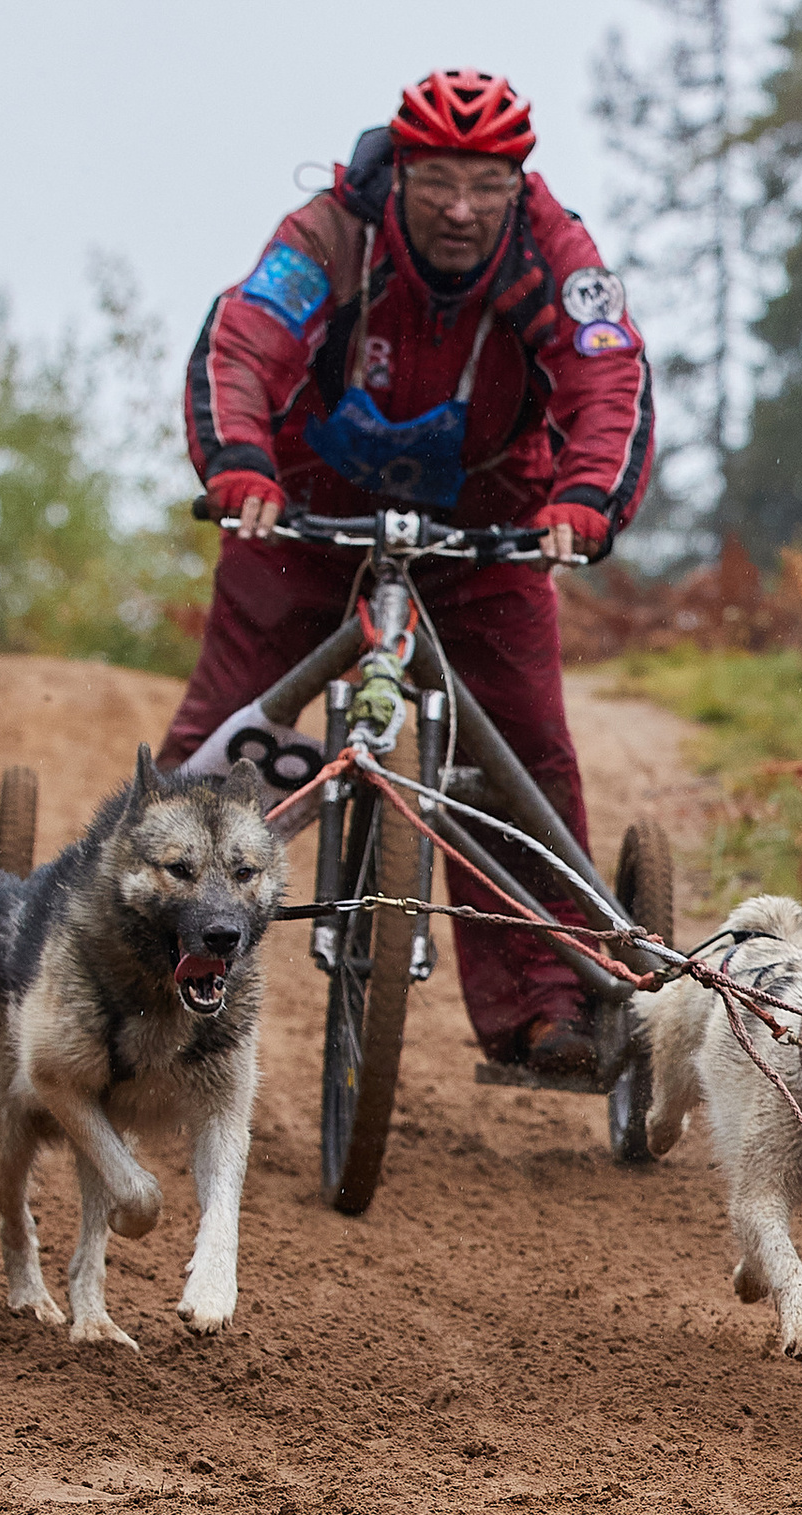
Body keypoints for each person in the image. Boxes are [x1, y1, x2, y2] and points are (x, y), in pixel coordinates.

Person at [163, 68, 655, 1075]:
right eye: (437, 182)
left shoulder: (554, 252)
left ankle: (546, 1003)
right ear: (400, 177)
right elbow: (243, 342)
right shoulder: (330, 234)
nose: (462, 210)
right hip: (304, 499)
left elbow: (608, 374)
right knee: (233, 714)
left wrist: (584, 500)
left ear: (519, 182)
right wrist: (239, 462)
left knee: (523, 747)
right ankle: (147, 952)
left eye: (486, 185)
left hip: (489, 511)